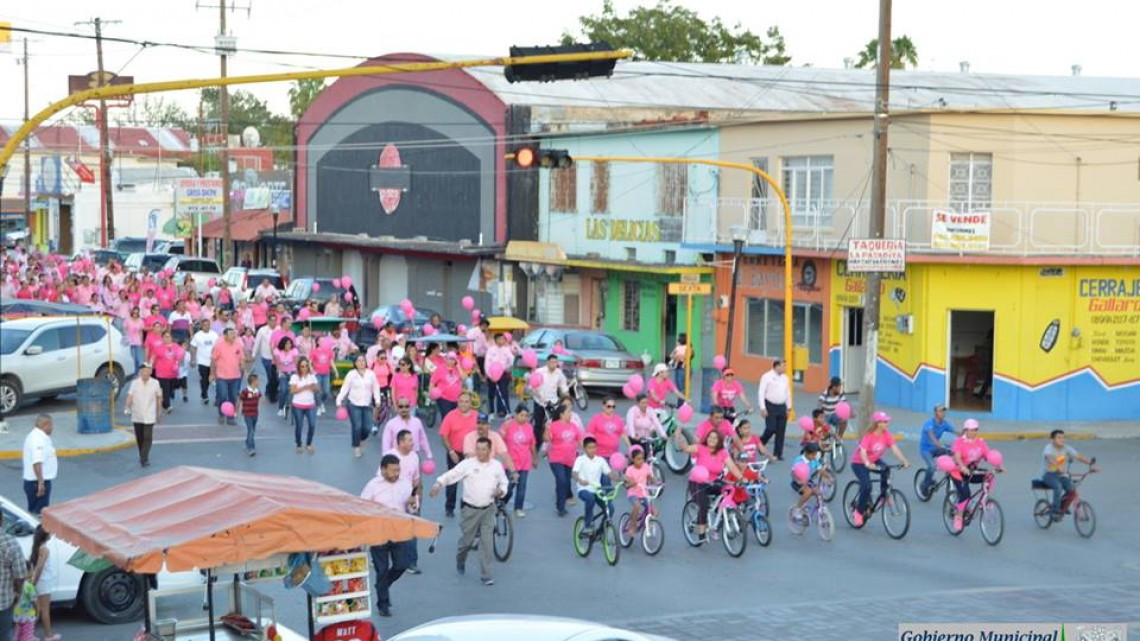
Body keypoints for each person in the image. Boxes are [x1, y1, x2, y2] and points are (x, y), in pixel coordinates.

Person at [429, 437, 509, 587]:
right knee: (467, 542)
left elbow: (504, 482)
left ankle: (486, 574)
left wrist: (501, 491)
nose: (480, 452)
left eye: (483, 449)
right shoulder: (468, 464)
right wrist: (438, 484)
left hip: (488, 510)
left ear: (489, 450)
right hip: (470, 510)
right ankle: (461, 559)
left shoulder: (496, 466)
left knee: (486, 543)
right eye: (477, 449)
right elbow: (451, 475)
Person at [361, 454, 418, 616]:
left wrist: (412, 504)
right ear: (383, 469)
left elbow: (412, 507)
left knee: (402, 564)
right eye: (393, 470)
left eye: (398, 470)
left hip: (399, 532)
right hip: (378, 533)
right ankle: (383, 605)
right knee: (381, 570)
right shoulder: (373, 485)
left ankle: (383, 585)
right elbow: (362, 506)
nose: (396, 474)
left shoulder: (405, 484)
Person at [673, 428, 743, 542]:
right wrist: (678, 436)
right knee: (703, 504)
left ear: (719, 441)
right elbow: (685, 448)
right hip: (697, 482)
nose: (712, 439)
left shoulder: (722, 453)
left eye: (715, 438)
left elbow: (732, 467)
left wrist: (742, 478)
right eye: (710, 437)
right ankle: (701, 531)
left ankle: (722, 518)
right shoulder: (700, 448)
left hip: (713, 481)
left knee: (729, 490)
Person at [850, 411, 910, 526]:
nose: (888, 423)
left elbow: (895, 449)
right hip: (859, 462)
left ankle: (884, 495)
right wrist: (867, 463)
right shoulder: (869, 435)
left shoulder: (887, 434)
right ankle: (858, 512)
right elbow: (863, 452)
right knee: (867, 486)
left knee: (886, 469)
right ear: (878, 423)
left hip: (874, 460)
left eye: (887, 421)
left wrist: (904, 460)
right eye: (885, 422)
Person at [949, 418, 1004, 532]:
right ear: (965, 430)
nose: (973, 432)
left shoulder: (980, 443)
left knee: (989, 476)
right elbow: (957, 456)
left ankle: (984, 500)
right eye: (971, 430)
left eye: (975, 430)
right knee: (965, 494)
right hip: (958, 472)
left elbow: (989, 455)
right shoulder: (959, 442)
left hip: (972, 471)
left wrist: (999, 466)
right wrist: (962, 467)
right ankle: (958, 516)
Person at [1040, 429, 1099, 520]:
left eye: (1063, 437)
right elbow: (1049, 457)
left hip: (1062, 474)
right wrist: (1057, 466)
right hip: (1049, 474)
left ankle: (1062, 506)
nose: (1062, 439)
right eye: (1059, 437)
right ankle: (1055, 510)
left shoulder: (1066, 448)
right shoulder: (1048, 447)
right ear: (1052, 439)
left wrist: (1090, 464)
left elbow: (1078, 456)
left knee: (1072, 489)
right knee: (1058, 487)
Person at [438, 392, 478, 518]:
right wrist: (451, 451)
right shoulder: (450, 416)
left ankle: (468, 506)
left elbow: (483, 433)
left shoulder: (477, 416)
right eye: (461, 401)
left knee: (472, 481)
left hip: (472, 454)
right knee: (452, 481)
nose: (464, 404)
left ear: (470, 403)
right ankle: (449, 507)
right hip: (455, 453)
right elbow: (444, 436)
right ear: (457, 402)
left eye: (466, 401)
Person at [572, 437, 619, 536]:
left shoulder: (600, 460)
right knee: (590, 499)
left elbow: (610, 473)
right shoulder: (580, 460)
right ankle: (588, 524)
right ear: (584, 449)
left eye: (594, 447)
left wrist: (622, 479)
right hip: (584, 489)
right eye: (589, 447)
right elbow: (574, 473)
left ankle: (601, 530)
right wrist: (580, 480)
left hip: (597, 490)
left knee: (610, 508)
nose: (592, 450)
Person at [545, 403, 584, 517]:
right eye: (568, 412)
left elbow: (580, 440)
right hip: (556, 459)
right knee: (561, 480)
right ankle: (560, 507)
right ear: (561, 414)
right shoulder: (554, 426)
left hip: (570, 459)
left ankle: (561, 501)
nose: (570, 414)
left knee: (566, 482)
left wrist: (587, 452)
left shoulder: (573, 426)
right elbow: (547, 439)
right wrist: (547, 429)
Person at [338, 355, 381, 457]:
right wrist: (339, 400)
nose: (361, 363)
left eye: (363, 360)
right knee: (357, 426)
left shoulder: (371, 374)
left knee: (367, 427)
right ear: (355, 363)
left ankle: (362, 439)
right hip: (353, 404)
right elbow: (345, 387)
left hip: (367, 404)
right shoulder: (351, 374)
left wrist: (377, 400)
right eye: (359, 361)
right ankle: (356, 446)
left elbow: (376, 387)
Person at [124, 363, 163, 467]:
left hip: (150, 413)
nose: (145, 373)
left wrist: (159, 411)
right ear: (140, 372)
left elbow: (159, 397)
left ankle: (144, 458)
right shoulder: (135, 383)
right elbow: (130, 396)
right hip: (137, 414)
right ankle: (142, 453)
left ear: (150, 372)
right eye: (143, 371)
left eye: (147, 371)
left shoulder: (155, 383)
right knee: (140, 436)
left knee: (147, 436)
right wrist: (127, 407)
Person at [502, 405, 537, 518]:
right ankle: (502, 504)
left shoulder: (529, 427)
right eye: (522, 415)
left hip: (524, 462)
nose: (524, 418)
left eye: (526, 416)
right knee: (508, 488)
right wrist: (505, 428)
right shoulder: (508, 425)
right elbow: (500, 438)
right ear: (516, 414)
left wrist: (534, 458)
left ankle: (518, 508)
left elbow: (532, 444)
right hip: (511, 462)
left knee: (522, 487)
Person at [0, 510, 28, 641]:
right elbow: (20, 575)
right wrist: (18, 593)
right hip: (3, 603)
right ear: (1, 520)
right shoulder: (11, 543)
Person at [21, 415, 57, 515]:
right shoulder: (38, 440)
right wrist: (41, 483)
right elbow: (37, 462)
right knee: (39, 514)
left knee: (35, 513)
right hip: (37, 482)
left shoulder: (37, 436)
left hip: (36, 482)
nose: (52, 428)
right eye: (51, 425)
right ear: (45, 425)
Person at [529, 354, 568, 444]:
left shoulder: (559, 373)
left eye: (555, 362)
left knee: (555, 423)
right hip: (540, 401)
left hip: (553, 401)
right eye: (552, 362)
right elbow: (532, 386)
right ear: (547, 363)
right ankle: (537, 443)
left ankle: (553, 443)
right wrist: (537, 394)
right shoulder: (539, 372)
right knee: (538, 424)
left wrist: (566, 395)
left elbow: (563, 386)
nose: (554, 364)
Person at [918, 404, 956, 496]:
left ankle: (949, 474)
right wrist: (936, 442)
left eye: (944, 411)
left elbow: (955, 431)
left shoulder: (944, 424)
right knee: (932, 466)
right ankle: (924, 485)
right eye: (940, 411)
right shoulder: (929, 423)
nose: (943, 413)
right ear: (935, 412)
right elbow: (931, 434)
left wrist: (966, 434)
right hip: (926, 450)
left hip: (936, 448)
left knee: (953, 455)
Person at [211, 328, 246, 427]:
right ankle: (221, 414)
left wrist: (242, 366)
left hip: (236, 376)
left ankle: (230, 417)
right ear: (225, 336)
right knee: (222, 395)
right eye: (231, 334)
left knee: (233, 397)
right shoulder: (219, 346)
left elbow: (242, 359)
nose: (233, 336)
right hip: (222, 376)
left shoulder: (238, 345)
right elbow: (213, 360)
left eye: (234, 334)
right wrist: (212, 374)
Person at [28, 526, 57, 641]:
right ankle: (48, 635)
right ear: (45, 535)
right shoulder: (44, 549)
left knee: (38, 610)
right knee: (45, 610)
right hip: (44, 582)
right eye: (49, 532)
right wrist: (34, 582)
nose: (51, 534)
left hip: (41, 581)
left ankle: (28, 634)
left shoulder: (37, 548)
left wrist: (33, 581)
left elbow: (35, 566)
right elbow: (40, 567)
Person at [758, 359, 791, 460]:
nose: (785, 368)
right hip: (770, 405)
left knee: (781, 430)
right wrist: (762, 408)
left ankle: (778, 453)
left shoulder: (785, 378)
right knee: (771, 428)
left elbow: (787, 393)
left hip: (781, 406)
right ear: (776, 366)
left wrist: (789, 407)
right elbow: (761, 392)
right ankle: (761, 442)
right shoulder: (767, 376)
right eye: (783, 366)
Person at [622, 446, 658, 537]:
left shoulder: (646, 466)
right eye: (638, 459)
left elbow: (650, 477)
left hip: (644, 493)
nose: (641, 461)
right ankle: (632, 527)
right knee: (637, 506)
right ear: (633, 459)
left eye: (642, 458)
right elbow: (626, 485)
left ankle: (645, 522)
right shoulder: (630, 470)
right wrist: (631, 484)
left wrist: (656, 482)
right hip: (633, 493)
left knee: (654, 511)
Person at [791, 442, 832, 522]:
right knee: (808, 492)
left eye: (815, 454)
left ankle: (821, 509)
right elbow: (793, 473)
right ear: (806, 453)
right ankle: (797, 509)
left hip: (807, 480)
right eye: (813, 455)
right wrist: (798, 481)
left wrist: (829, 477)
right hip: (798, 481)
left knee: (818, 491)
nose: (814, 457)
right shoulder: (799, 460)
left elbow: (820, 470)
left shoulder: (814, 460)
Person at [290, 357, 321, 454]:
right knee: (299, 426)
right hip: (298, 405)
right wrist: (304, 387)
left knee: (312, 425)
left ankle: (308, 444)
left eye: (306, 366)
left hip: (310, 405)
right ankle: (299, 444)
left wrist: (313, 387)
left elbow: (318, 389)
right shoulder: (295, 377)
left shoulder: (312, 377)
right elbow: (293, 391)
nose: (304, 368)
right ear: (299, 367)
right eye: (302, 366)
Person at [152, 331, 185, 413]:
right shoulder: (158, 348)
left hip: (173, 373)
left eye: (168, 337)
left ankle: (164, 402)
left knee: (170, 390)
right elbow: (153, 358)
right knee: (165, 390)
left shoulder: (176, 346)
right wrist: (149, 366)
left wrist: (181, 355)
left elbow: (180, 356)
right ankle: (168, 406)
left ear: (171, 338)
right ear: (162, 338)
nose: (167, 338)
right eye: (165, 337)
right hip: (162, 373)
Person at [483, 333, 514, 418]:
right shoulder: (491, 350)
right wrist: (490, 375)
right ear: (496, 340)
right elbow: (487, 363)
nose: (502, 341)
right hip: (492, 374)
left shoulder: (506, 349)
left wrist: (508, 367)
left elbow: (511, 360)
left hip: (503, 373)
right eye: (500, 339)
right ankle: (491, 412)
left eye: (503, 339)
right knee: (491, 393)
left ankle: (506, 411)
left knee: (504, 392)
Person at [251, 316, 279, 404]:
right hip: (266, 357)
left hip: (277, 357)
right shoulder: (262, 330)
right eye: (271, 320)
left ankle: (269, 390)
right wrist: (253, 355)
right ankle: (272, 395)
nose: (273, 322)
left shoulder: (279, 329)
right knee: (271, 376)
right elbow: (257, 343)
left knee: (276, 377)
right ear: (268, 321)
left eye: (275, 320)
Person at [429, 353, 465, 420]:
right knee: (447, 418)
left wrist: (459, 366)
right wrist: (431, 393)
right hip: (444, 398)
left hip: (456, 399)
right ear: (445, 359)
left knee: (455, 418)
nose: (451, 361)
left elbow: (464, 378)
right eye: (449, 359)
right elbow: (432, 382)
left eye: (453, 359)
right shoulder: (440, 369)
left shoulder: (457, 368)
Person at [274, 336, 300, 418]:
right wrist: (279, 372)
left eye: (290, 344)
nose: (289, 345)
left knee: (290, 391)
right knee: (283, 390)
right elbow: (277, 363)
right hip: (282, 373)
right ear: (283, 344)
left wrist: (297, 374)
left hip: (292, 372)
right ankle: (281, 408)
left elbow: (296, 363)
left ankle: (288, 406)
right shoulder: (278, 352)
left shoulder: (294, 351)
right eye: (287, 344)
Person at [239, 373, 261, 457]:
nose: (259, 382)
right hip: (247, 413)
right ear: (253, 382)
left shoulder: (257, 391)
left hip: (255, 413)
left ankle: (248, 441)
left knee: (252, 430)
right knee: (251, 430)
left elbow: (260, 397)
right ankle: (251, 448)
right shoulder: (245, 391)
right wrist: (236, 410)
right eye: (257, 381)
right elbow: (240, 399)